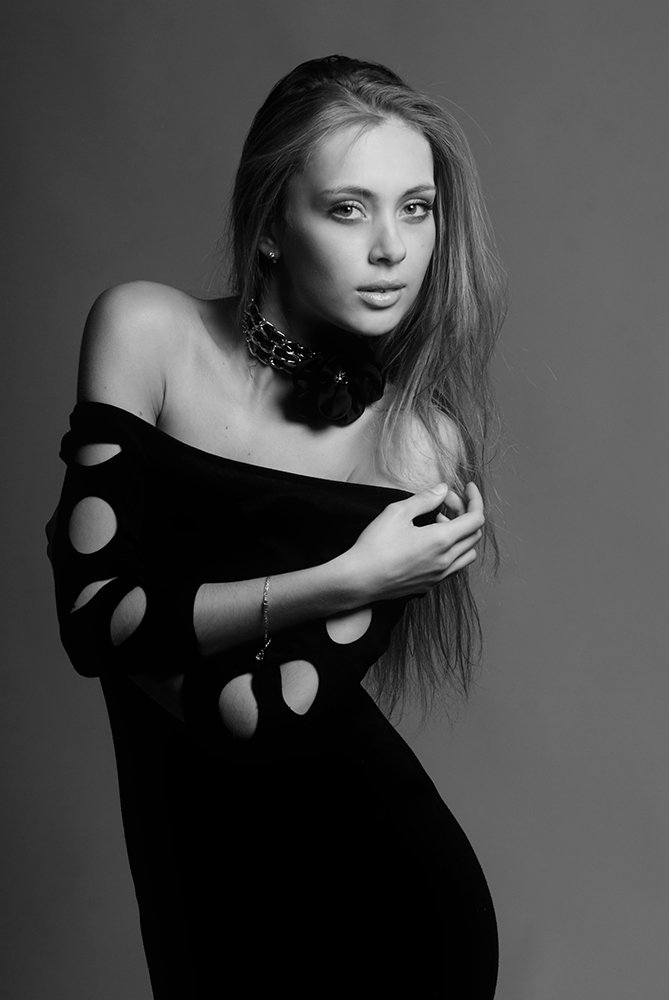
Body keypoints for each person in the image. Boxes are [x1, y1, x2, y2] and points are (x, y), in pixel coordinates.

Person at [47, 55, 505, 999]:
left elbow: (248, 714)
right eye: (348, 208)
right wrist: (349, 578)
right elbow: (91, 625)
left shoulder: (418, 444)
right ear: (267, 227)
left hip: (388, 904)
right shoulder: (147, 333)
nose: (392, 249)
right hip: (198, 883)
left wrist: (145, 619)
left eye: (416, 208)